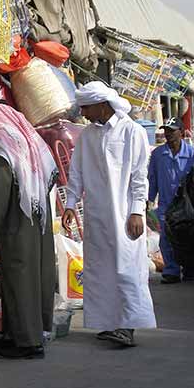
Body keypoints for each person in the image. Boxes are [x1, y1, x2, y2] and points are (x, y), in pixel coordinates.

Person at [63, 82, 155, 348]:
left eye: (87, 107)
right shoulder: (87, 136)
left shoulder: (132, 132)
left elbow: (139, 176)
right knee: (100, 270)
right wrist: (70, 203)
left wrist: (137, 211)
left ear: (102, 104)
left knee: (126, 268)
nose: (84, 113)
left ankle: (127, 326)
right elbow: (76, 173)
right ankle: (108, 323)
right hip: (97, 215)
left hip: (124, 213)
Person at [0, 101, 59, 359]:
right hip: (38, 221)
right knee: (34, 278)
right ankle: (19, 334)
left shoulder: (3, 148)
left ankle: (28, 342)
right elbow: (51, 178)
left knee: (19, 280)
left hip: (16, 222)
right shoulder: (32, 142)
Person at [148, 118, 194, 283]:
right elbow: (152, 178)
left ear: (181, 133)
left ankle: (189, 269)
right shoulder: (158, 154)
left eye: (172, 130)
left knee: (187, 238)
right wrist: (148, 199)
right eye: (166, 130)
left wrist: (193, 178)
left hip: (186, 205)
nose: (168, 134)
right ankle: (171, 271)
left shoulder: (190, 153)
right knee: (166, 239)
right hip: (166, 204)